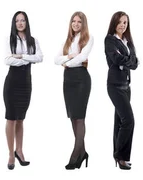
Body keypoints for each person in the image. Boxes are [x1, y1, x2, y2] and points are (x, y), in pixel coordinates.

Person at [53, 11, 93, 170]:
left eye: (79, 22)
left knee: (80, 117)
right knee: (72, 117)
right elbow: (56, 60)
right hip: (68, 80)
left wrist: (67, 62)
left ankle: (75, 155)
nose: (76, 24)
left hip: (81, 79)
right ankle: (83, 152)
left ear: (84, 24)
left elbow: (82, 57)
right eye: (73, 21)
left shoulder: (88, 38)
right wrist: (69, 56)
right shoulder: (67, 40)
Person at [3, 11, 42, 170]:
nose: (20, 23)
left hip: (26, 83)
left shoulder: (33, 40)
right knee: (11, 118)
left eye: (23, 20)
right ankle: (11, 154)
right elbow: (7, 60)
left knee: (20, 118)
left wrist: (20, 56)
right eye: (17, 20)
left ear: (26, 22)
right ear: (14, 23)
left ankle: (19, 150)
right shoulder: (9, 39)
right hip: (12, 83)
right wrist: (26, 58)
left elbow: (39, 58)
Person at [104, 11, 138, 170]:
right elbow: (115, 59)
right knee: (129, 120)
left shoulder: (127, 41)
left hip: (126, 85)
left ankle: (123, 157)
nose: (123, 25)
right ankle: (118, 155)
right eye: (120, 22)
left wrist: (127, 61)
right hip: (114, 85)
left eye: (125, 22)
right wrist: (127, 61)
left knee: (120, 122)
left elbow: (135, 62)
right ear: (114, 23)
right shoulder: (110, 40)